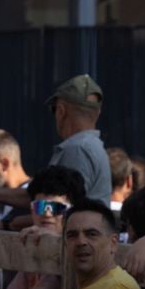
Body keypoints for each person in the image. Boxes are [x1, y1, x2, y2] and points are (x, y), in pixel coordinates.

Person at [46, 75, 111, 203]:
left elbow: (61, 207)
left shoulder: (77, 149)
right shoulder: (91, 146)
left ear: (60, 111)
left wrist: (8, 222)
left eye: (53, 109)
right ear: (98, 113)